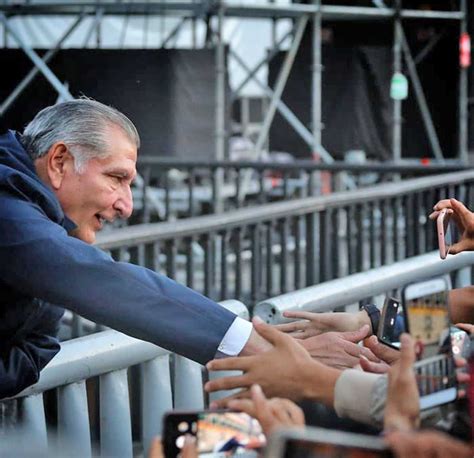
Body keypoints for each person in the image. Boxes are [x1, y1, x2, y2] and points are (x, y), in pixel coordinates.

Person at [0, 98, 272, 399]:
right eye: (117, 178)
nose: (126, 206)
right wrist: (253, 346)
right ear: (59, 162)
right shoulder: (9, 210)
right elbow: (99, 280)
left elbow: (37, 346)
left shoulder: (41, 233)